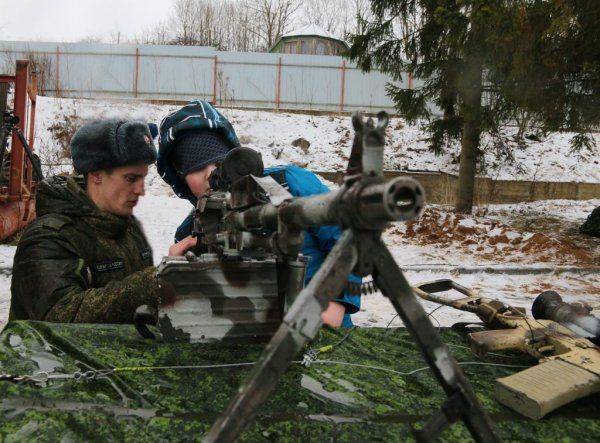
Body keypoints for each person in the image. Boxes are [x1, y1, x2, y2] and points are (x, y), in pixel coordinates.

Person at [157, 100, 361, 328]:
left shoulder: (285, 185)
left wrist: (333, 302)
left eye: (218, 161)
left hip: (326, 337)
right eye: (196, 168)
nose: (210, 174)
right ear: (180, 179)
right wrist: (177, 272)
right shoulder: (190, 233)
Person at [9, 119, 190, 323]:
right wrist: (155, 281)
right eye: (131, 179)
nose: (141, 190)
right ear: (96, 175)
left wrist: (178, 274)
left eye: (143, 179)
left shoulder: (127, 227)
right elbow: (61, 317)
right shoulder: (47, 238)